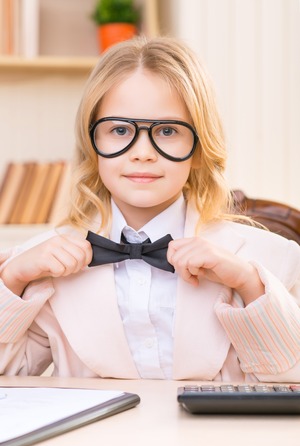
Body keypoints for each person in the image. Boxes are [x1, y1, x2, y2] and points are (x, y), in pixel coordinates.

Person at [0, 36, 299, 382]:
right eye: (120, 130)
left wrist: (248, 284)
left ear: (200, 148)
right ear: (92, 143)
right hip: (95, 438)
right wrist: (11, 280)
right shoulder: (43, 266)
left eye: (168, 131)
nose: (142, 152)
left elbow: (289, 383)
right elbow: (8, 380)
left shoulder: (271, 261)